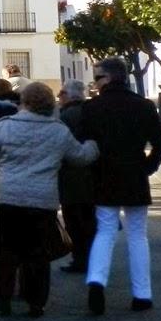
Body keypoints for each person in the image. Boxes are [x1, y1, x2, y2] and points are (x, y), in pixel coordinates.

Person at [0, 82, 98, 317]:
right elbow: (80, 157)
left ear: (23, 102)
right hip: (41, 200)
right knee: (37, 254)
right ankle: (36, 301)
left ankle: (2, 297)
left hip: (7, 197)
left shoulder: (5, 127)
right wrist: (93, 144)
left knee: (5, 251)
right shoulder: (58, 130)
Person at [81, 58, 161, 315]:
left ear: (108, 78)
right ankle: (142, 294)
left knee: (105, 230)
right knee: (138, 235)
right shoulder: (143, 106)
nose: (95, 83)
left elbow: (84, 144)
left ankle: (96, 280)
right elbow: (160, 144)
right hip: (134, 175)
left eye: (97, 78)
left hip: (104, 175)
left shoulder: (92, 108)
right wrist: (147, 167)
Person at [56, 80, 96, 274]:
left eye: (61, 93)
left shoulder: (66, 116)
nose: (59, 97)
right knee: (89, 220)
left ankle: (80, 259)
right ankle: (90, 258)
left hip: (71, 177)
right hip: (92, 175)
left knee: (74, 221)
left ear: (69, 95)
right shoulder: (91, 111)